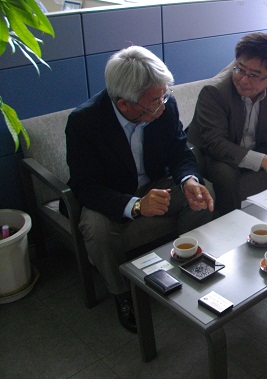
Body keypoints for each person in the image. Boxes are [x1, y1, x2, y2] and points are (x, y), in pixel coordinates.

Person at [65, 46, 214, 332]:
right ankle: (121, 294)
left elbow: (180, 152)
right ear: (124, 104)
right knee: (95, 229)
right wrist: (135, 205)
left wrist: (189, 180)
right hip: (111, 194)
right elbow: (85, 186)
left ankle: (186, 264)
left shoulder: (164, 105)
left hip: (157, 182)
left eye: (164, 96)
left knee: (202, 195)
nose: (162, 107)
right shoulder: (85, 122)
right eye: (154, 102)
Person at [188, 32, 267, 216]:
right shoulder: (215, 91)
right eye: (240, 69)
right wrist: (264, 161)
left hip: (256, 144)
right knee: (225, 174)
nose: (244, 79)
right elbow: (216, 144)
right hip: (215, 154)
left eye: (253, 75)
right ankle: (231, 224)